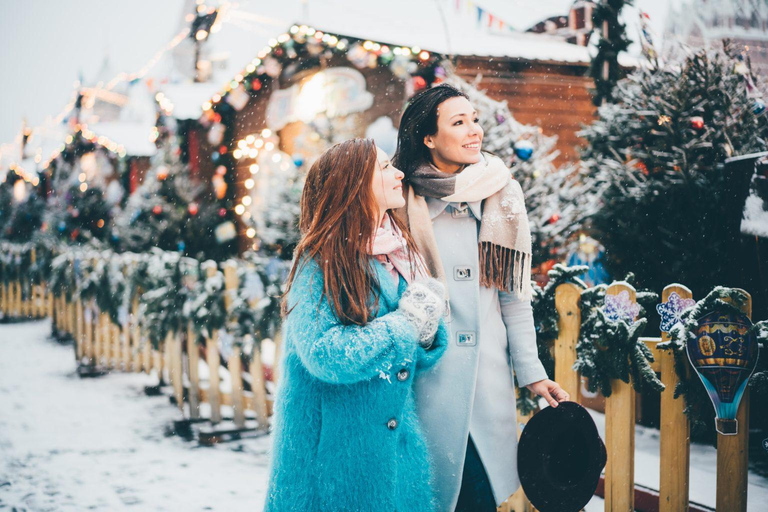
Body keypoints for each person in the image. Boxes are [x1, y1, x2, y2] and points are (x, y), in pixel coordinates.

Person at [392, 84, 570, 512]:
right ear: (428, 139)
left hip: (487, 385)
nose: (474, 131)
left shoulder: (502, 193)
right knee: (432, 495)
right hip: (424, 383)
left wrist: (531, 371)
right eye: (459, 123)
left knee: (482, 497)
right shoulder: (399, 203)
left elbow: (514, 295)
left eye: (474, 120)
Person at [264, 138, 449, 512]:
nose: (398, 173)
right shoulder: (319, 262)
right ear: (353, 186)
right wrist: (404, 326)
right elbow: (324, 354)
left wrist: (427, 333)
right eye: (384, 168)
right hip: (333, 468)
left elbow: (409, 356)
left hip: (393, 462)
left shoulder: (396, 253)